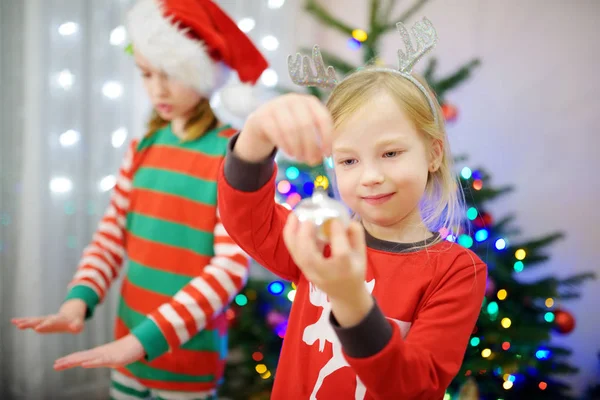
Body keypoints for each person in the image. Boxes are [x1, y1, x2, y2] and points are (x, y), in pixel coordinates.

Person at [216, 18, 487, 400]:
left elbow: (414, 387)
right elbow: (247, 219)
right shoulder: (322, 239)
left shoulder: (457, 273)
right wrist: (256, 136)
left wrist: (350, 299)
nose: (370, 177)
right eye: (348, 161)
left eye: (390, 153)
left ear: (433, 152)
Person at [12, 0, 268, 399]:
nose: (157, 89)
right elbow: (111, 237)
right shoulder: (143, 147)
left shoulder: (230, 157)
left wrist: (145, 338)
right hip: (124, 354)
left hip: (186, 365)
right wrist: (78, 302)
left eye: (172, 74)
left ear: (202, 73)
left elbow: (228, 270)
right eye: (147, 74)